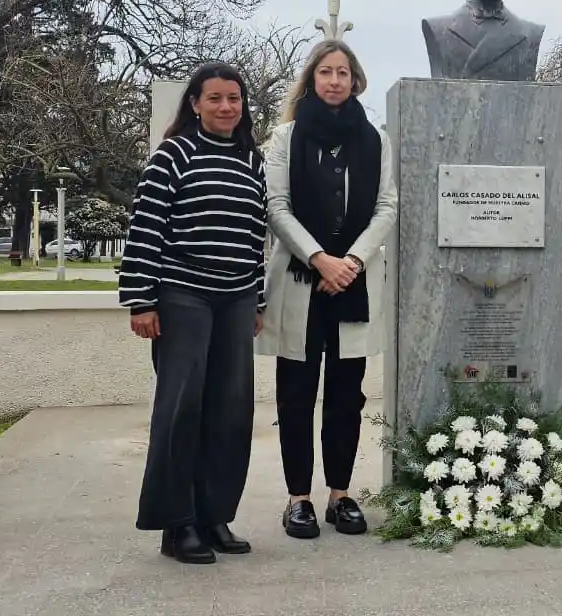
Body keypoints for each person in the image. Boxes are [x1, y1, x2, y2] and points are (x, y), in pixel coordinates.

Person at [118, 62, 267, 564]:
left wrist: (258, 300)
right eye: (215, 98)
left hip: (237, 299)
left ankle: (213, 515)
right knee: (182, 409)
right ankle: (177, 523)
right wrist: (141, 299)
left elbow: (254, 237)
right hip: (182, 294)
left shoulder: (252, 160)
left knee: (231, 411)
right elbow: (145, 229)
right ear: (196, 105)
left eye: (234, 98)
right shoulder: (173, 155)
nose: (227, 107)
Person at [256, 39, 398, 539]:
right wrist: (319, 259)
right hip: (301, 282)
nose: (335, 80)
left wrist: (351, 262)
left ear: (356, 79)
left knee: (346, 396)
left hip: (351, 287)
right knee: (295, 395)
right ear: (312, 80)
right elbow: (276, 207)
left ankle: (340, 494)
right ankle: (299, 498)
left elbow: (387, 207)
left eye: (343, 72)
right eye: (325, 72)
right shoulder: (284, 138)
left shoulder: (375, 139)